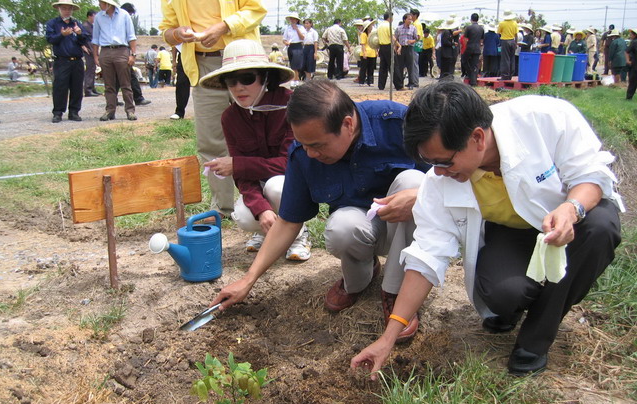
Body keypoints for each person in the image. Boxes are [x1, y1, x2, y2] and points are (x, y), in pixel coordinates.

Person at [351, 81, 622, 379]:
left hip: (575, 218)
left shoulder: (545, 117)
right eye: (430, 163)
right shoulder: (439, 181)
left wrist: (571, 209)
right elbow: (427, 256)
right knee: (503, 294)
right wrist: (388, 337)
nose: (438, 172)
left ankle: (535, 340)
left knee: (601, 228)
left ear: (478, 138)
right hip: (512, 231)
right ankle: (517, 305)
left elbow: (590, 174)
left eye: (444, 162)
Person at [210, 79, 429, 341]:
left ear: (347, 124)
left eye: (318, 145)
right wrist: (248, 279)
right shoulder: (303, 154)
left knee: (414, 182)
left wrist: (419, 196)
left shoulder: (397, 124)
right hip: (364, 227)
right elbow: (288, 222)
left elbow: (448, 175)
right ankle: (360, 278)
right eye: (304, 144)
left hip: (409, 229)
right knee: (341, 228)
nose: (311, 153)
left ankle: (397, 291)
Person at [199, 39, 311, 260]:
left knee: (277, 186)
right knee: (243, 215)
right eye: (231, 81)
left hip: (293, 182)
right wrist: (261, 209)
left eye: (247, 78)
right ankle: (266, 231)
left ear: (265, 77)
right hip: (259, 184)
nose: (239, 87)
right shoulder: (230, 117)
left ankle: (299, 234)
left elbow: (289, 164)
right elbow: (243, 177)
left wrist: (237, 164)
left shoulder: (291, 105)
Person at [159, 0, 266, 218]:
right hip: (202, 64)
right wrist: (177, 33)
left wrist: (223, 27)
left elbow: (256, 9)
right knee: (210, 140)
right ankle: (222, 207)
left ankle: (269, 201)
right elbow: (167, 31)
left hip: (244, 58)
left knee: (262, 134)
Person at [92, 0, 138, 121]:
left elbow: (131, 36)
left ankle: (130, 110)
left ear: (108, 4)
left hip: (121, 50)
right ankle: (110, 110)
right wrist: (96, 56)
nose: (99, 5)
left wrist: (133, 54)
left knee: (125, 83)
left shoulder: (124, 15)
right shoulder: (98, 17)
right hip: (105, 51)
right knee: (109, 84)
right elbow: (95, 38)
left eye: (101, 2)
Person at [45, 0, 89, 123]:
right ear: (59, 9)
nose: (67, 11)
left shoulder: (76, 23)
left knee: (77, 87)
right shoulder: (53, 23)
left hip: (77, 60)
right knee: (60, 87)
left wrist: (79, 34)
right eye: (64, 8)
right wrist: (62, 35)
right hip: (62, 60)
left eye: (69, 8)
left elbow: (84, 40)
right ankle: (58, 113)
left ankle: (74, 112)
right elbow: (50, 39)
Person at [118, 2, 150, 106]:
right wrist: (132, 54)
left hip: (121, 52)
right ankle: (138, 98)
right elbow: (130, 39)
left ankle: (113, 100)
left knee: (118, 76)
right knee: (130, 76)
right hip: (122, 52)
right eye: (130, 14)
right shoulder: (122, 22)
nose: (130, 16)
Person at [393, 13, 418, 90]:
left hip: (409, 48)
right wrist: (396, 48)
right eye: (409, 19)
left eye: (411, 19)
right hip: (401, 48)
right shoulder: (399, 28)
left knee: (410, 66)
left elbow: (416, 38)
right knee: (400, 66)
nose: (410, 21)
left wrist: (412, 41)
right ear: (404, 20)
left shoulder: (413, 28)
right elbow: (395, 38)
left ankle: (411, 83)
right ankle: (400, 84)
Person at [282, 14, 305, 87]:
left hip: (298, 46)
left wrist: (296, 29)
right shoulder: (288, 28)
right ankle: (295, 79)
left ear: (297, 20)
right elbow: (284, 39)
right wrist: (286, 43)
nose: (292, 20)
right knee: (292, 63)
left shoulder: (301, 28)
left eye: (293, 19)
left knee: (296, 64)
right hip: (290, 46)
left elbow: (302, 37)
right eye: (291, 19)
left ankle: (295, 80)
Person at [82, 9, 101, 96]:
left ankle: (92, 88)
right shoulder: (85, 26)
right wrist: (84, 47)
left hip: (93, 51)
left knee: (93, 69)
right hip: (89, 51)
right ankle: (88, 89)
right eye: (94, 16)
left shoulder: (92, 26)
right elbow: (83, 39)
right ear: (89, 16)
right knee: (89, 70)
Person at [170, 45, 190, 119]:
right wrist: (174, 61)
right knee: (181, 82)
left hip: (202, 53)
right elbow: (175, 43)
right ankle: (179, 112)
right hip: (184, 54)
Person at [377, 12, 396, 90]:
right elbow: (392, 37)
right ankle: (398, 85)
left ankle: (381, 86)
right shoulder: (389, 26)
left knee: (383, 67)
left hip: (382, 47)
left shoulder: (380, 26)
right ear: (389, 17)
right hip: (388, 47)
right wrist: (398, 45)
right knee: (393, 66)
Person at [464, 13, 484, 86]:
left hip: (469, 47)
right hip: (477, 48)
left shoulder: (468, 28)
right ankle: (473, 81)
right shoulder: (481, 28)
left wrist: (466, 46)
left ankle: (469, 76)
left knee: (466, 62)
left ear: (471, 19)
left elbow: (465, 39)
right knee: (475, 65)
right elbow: (481, 40)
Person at [497, 10, 518, 80]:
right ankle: (510, 75)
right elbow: (516, 35)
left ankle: (505, 75)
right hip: (512, 41)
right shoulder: (515, 23)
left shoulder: (502, 23)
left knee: (505, 59)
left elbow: (498, 33)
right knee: (512, 58)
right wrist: (516, 43)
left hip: (505, 41)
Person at [358, 19, 377, 86]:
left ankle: (370, 81)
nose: (371, 27)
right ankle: (361, 81)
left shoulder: (372, 34)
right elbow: (363, 44)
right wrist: (364, 53)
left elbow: (374, 44)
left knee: (371, 69)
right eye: (370, 26)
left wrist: (376, 51)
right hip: (366, 53)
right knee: (363, 68)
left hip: (372, 53)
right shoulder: (363, 34)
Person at [410, 9, 423, 88]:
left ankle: (415, 81)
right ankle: (414, 80)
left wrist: (411, 41)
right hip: (418, 44)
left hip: (416, 44)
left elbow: (418, 36)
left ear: (415, 15)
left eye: (411, 15)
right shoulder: (416, 23)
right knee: (414, 63)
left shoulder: (416, 24)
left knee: (414, 63)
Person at [626, 28, 637, 100]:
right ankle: (629, 97)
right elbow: (627, 52)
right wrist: (628, 60)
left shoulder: (634, 42)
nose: (630, 35)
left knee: (632, 82)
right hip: (634, 64)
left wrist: (628, 61)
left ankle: (629, 97)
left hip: (635, 66)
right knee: (633, 82)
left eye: (631, 34)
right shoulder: (634, 42)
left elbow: (626, 51)